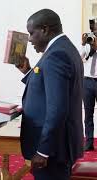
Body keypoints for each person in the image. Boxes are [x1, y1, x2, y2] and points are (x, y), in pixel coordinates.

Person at [15, 9, 84, 179]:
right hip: (58, 144)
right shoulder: (63, 48)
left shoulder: (56, 55)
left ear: (45, 29)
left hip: (53, 149)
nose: (29, 39)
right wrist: (27, 71)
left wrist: (43, 151)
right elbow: (49, 88)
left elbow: (58, 108)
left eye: (32, 33)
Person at [80, 20, 97, 151]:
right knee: (88, 114)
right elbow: (79, 58)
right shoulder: (88, 43)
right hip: (87, 82)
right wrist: (84, 44)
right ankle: (89, 142)